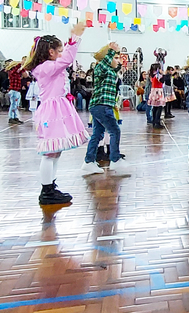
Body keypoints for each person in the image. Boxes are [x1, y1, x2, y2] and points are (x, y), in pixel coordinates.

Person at [26, 23, 91, 206]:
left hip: (56, 109)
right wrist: (75, 39)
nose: (62, 54)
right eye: (59, 50)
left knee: (55, 151)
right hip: (51, 112)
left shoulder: (48, 66)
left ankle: (51, 185)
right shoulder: (46, 67)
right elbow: (66, 60)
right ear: (51, 52)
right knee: (50, 152)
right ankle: (46, 190)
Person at [82, 43, 126, 175]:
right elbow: (105, 64)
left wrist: (119, 62)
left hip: (100, 106)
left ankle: (89, 161)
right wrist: (111, 51)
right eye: (115, 58)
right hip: (102, 106)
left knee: (98, 134)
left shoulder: (110, 71)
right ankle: (115, 159)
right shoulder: (100, 67)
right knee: (115, 131)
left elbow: (115, 68)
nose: (117, 60)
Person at [146, 63, 165, 129]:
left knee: (155, 107)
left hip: (154, 91)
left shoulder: (152, 74)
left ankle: (154, 122)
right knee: (159, 107)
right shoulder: (157, 75)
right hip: (158, 91)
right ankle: (157, 122)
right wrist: (163, 74)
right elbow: (162, 81)